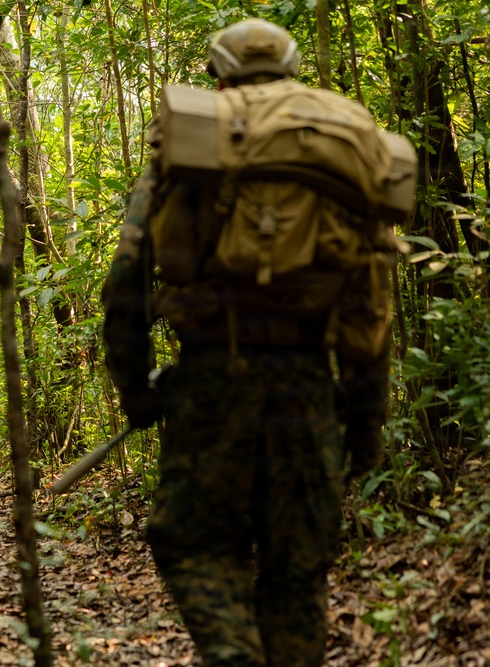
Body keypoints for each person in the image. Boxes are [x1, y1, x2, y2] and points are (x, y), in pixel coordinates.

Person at [102, 19, 395, 667]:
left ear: (220, 74)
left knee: (197, 544)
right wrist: (365, 425)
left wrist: (137, 391)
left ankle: (233, 653)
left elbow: (126, 279)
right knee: (297, 569)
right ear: (291, 71)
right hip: (308, 385)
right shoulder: (341, 143)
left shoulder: (196, 139)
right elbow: (373, 301)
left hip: (210, 380)